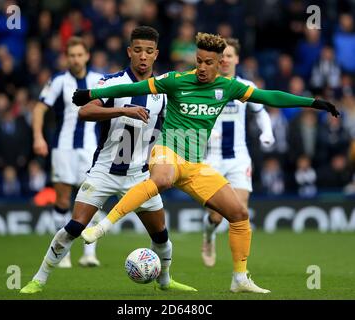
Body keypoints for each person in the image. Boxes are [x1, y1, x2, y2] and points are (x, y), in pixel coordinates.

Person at [73, 32, 339, 293]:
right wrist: (91, 93)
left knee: (239, 214)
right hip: (166, 152)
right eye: (198, 60)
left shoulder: (228, 87)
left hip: (194, 165)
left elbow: (270, 97)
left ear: (220, 62)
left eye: (208, 62)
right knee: (162, 179)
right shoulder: (176, 80)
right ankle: (102, 227)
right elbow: (132, 87)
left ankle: (239, 278)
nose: (201, 67)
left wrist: (314, 102)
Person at [20, 26, 195, 294]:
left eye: (149, 51)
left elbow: (173, 129)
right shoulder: (111, 82)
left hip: (140, 174)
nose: (143, 57)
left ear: (156, 54)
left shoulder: (164, 90)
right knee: (74, 227)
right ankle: (39, 279)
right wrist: (124, 109)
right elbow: (85, 110)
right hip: (105, 170)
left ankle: (165, 280)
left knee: (160, 234)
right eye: (138, 51)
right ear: (129, 52)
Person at [201, 38, 275, 267]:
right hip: (210, 158)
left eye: (229, 56)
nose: (224, 60)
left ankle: (240, 271)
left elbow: (261, 111)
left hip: (238, 157)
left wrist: (267, 132)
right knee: (217, 215)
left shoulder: (244, 85)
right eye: (221, 56)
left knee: (240, 211)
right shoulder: (204, 84)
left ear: (237, 59)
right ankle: (209, 235)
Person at [31, 36, 102, 268]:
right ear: (67, 58)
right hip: (63, 148)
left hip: (91, 148)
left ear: (87, 56)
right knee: (62, 200)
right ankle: (63, 253)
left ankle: (89, 253)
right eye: (72, 55)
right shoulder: (58, 80)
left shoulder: (98, 80)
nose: (76, 59)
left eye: (80, 55)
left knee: (91, 199)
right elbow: (40, 109)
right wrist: (38, 137)